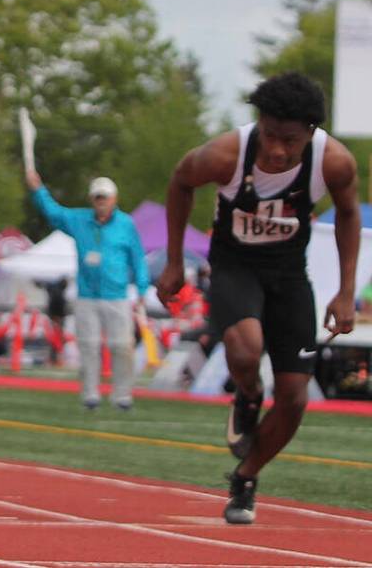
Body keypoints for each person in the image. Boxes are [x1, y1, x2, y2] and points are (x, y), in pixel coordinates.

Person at [157, 72, 359, 525]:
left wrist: (346, 292)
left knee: (295, 397)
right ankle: (248, 394)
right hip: (235, 266)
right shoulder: (227, 153)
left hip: (289, 275)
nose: (277, 151)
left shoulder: (334, 161)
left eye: (290, 141)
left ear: (311, 132)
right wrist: (173, 261)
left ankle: (246, 477)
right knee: (246, 348)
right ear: (259, 124)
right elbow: (180, 182)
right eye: (269, 135)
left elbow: (348, 214)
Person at [27, 172, 149, 411]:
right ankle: (90, 395)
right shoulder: (80, 220)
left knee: (121, 346)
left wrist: (142, 288)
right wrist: (38, 190)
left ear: (114, 199)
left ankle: (122, 396)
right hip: (87, 295)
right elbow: (54, 213)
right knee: (88, 346)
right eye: (97, 197)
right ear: (92, 200)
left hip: (117, 295)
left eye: (105, 197)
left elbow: (137, 258)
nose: (101, 202)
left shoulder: (126, 225)